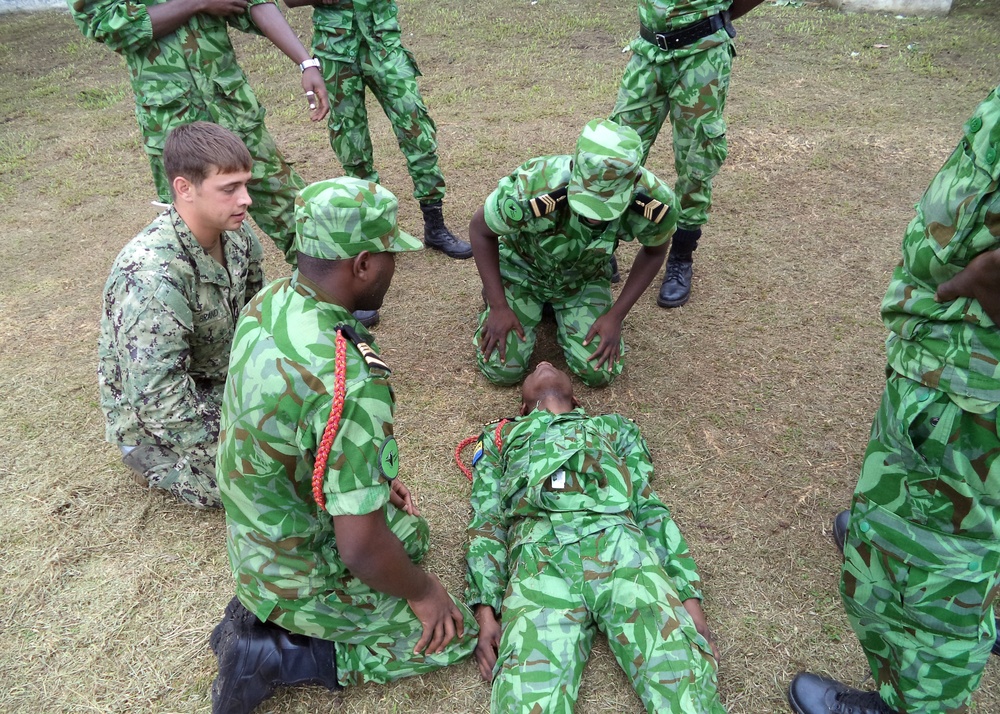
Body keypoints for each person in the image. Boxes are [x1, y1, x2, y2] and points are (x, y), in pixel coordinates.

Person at [211, 177, 477, 714]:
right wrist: (425, 594)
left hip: (256, 532)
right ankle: (277, 655)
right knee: (456, 633)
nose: (393, 266)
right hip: (295, 561)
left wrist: (370, 478)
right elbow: (358, 549)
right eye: (387, 254)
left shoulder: (271, 301)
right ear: (361, 265)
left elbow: (297, 433)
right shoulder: (350, 380)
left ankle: (264, 608)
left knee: (413, 535)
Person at [788, 85, 1000, 714]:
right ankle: (955, 574)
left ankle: (914, 700)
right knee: (966, 523)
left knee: (940, 558)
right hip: (959, 351)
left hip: (972, 378)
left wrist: (980, 282)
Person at [465, 361, 726, 713]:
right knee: (524, 702)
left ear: (576, 398)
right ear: (522, 407)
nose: (544, 361)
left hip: (622, 548)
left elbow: (647, 505)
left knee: (685, 688)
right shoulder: (499, 436)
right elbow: (487, 521)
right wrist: (486, 613)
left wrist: (688, 599)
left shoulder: (615, 429)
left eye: (552, 363)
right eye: (534, 369)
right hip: (539, 562)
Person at [69, 0, 330, 261]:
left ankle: (330, 295)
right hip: (173, 125)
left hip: (233, 112)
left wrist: (305, 63)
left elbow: (253, 3)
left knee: (299, 220)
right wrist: (198, 3)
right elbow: (109, 25)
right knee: (194, 240)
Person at [97, 122, 263, 508]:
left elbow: (258, 320)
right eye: (229, 189)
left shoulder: (238, 236)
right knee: (268, 486)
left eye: (245, 185)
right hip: (156, 425)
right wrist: (235, 454)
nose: (246, 200)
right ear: (184, 188)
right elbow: (156, 398)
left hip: (218, 383)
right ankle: (152, 466)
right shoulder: (150, 275)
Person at [470, 119, 677, 388]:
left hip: (582, 281)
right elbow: (480, 229)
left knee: (600, 372)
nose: (594, 217)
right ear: (573, 168)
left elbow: (654, 252)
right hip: (523, 271)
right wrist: (498, 306)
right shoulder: (533, 185)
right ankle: (507, 298)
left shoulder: (654, 202)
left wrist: (616, 316)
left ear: (635, 179)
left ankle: (554, 310)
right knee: (501, 370)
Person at [281, 0, 473, 260]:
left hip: (383, 44)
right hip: (334, 51)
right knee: (352, 141)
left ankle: (435, 226)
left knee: (417, 129)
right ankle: (375, 228)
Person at [610, 0, 765, 308]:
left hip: (702, 55)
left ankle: (680, 258)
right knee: (617, 152)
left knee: (697, 159)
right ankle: (603, 245)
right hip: (647, 51)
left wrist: (716, 18)